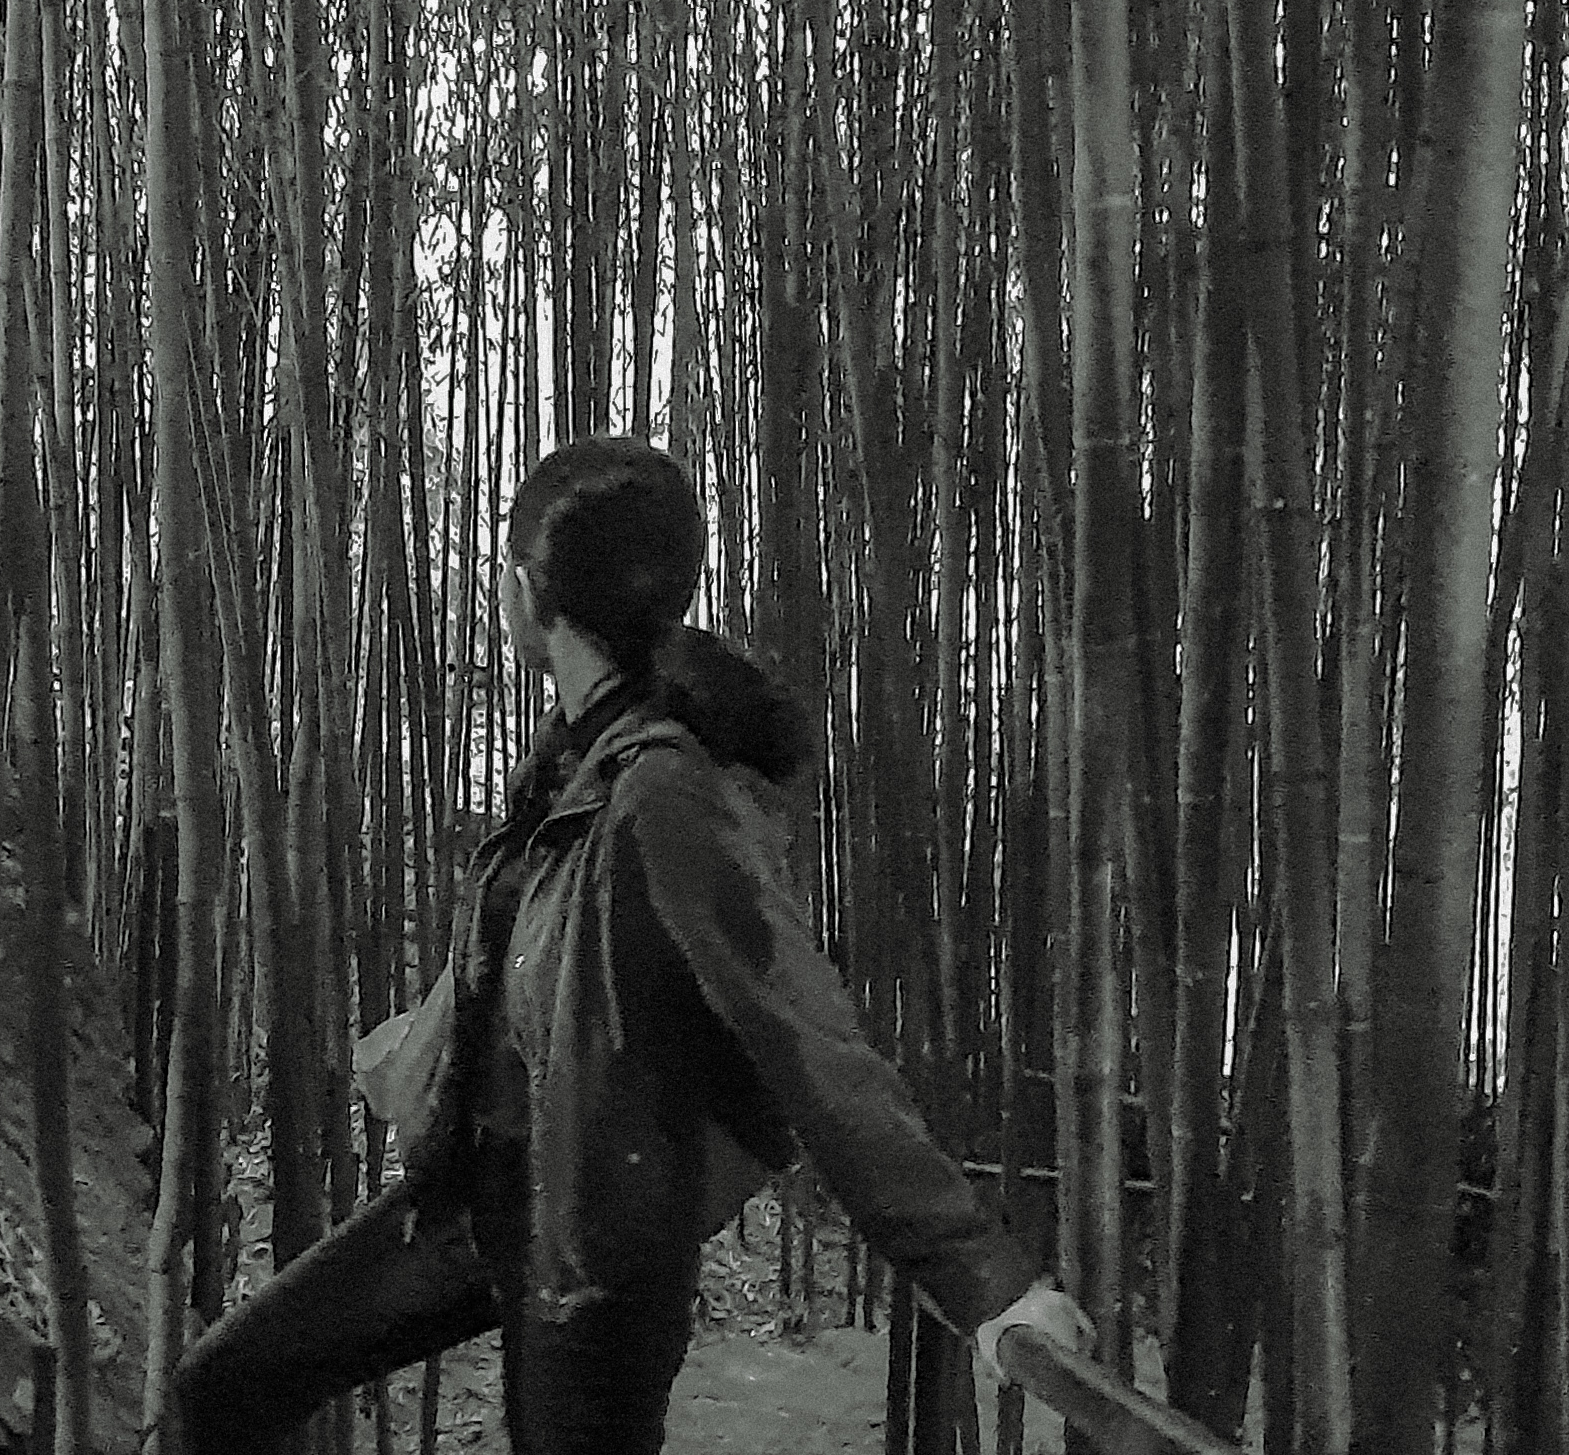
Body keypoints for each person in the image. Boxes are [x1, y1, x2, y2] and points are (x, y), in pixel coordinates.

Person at [177, 434, 1089, 1455]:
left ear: (529, 592)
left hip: (598, 1257)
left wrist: (985, 1282)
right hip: (481, 1206)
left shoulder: (666, 792)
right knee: (226, 1384)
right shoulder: (575, 765)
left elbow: (813, 1040)